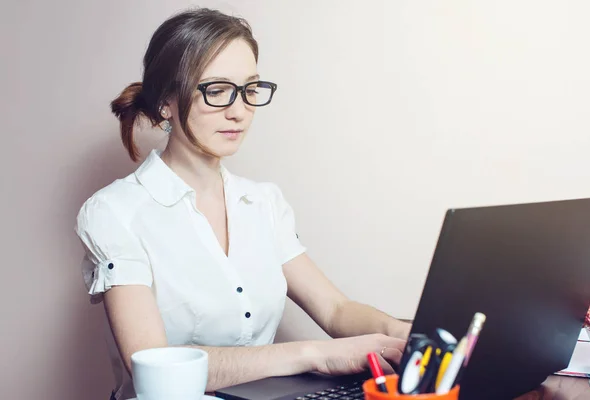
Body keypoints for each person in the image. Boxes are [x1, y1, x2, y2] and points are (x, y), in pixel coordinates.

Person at [75, 7, 410, 400]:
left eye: (250, 89)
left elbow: (336, 310)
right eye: (216, 91)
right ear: (166, 102)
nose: (239, 111)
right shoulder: (114, 211)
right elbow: (151, 361)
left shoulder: (263, 202)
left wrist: (409, 335)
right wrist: (314, 354)